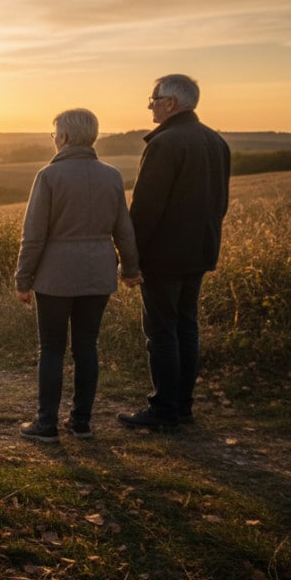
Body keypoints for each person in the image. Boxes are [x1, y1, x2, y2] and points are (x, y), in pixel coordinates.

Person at [15, 108, 142, 443]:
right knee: (87, 347)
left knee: (52, 349)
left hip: (55, 276)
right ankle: (82, 423)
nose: (54, 139)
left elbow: (34, 235)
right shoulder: (112, 176)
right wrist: (130, 270)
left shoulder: (48, 176)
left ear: (65, 138)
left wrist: (22, 280)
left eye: (55, 133)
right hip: (98, 273)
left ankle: (46, 424)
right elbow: (124, 231)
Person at [118, 74, 230, 432]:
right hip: (199, 252)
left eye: (154, 98)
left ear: (172, 104)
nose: (150, 104)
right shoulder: (216, 141)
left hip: (164, 256)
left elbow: (147, 208)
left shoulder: (166, 143)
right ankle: (182, 407)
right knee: (186, 327)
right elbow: (220, 204)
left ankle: (164, 412)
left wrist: (130, 259)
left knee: (162, 331)